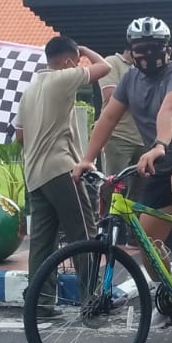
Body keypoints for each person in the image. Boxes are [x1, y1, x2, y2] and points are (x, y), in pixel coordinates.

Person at [73, 17, 172, 282]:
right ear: (131, 51)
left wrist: (158, 145)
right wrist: (87, 159)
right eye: (140, 48)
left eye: (155, 47)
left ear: (168, 50)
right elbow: (109, 118)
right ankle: (171, 296)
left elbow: (170, 111)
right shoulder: (130, 79)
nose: (147, 54)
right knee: (147, 245)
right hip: (163, 166)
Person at [15, 36, 111, 312]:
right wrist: (83, 49)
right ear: (68, 61)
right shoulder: (63, 77)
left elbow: (20, 135)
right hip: (61, 171)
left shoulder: (30, 90)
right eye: (75, 61)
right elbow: (103, 68)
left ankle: (40, 302)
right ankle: (91, 298)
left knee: (42, 244)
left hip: (34, 175)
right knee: (83, 233)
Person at [98, 43, 146, 203]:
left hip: (144, 139)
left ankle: (130, 227)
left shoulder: (145, 67)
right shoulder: (113, 62)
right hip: (119, 137)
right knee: (113, 186)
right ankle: (106, 225)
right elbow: (111, 96)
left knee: (140, 193)